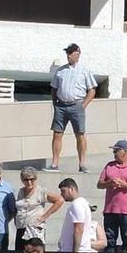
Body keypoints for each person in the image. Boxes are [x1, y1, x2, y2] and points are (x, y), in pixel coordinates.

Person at [47, 43, 96, 172]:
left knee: (80, 134)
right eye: (67, 53)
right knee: (57, 133)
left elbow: (92, 90)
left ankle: (82, 164)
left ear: (78, 54)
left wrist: (83, 105)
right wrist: (55, 104)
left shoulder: (85, 70)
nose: (68, 56)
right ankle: (54, 163)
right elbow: (54, 88)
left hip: (76, 104)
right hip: (61, 105)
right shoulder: (61, 70)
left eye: (71, 53)